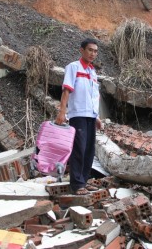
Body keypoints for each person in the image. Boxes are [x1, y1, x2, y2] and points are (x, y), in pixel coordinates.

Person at [55, 38, 102, 195]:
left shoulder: (92, 72)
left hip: (90, 116)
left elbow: (94, 96)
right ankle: (76, 184)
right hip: (78, 115)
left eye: (95, 51)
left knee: (89, 150)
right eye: (90, 50)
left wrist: (97, 117)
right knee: (79, 149)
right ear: (82, 50)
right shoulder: (73, 67)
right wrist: (62, 111)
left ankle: (84, 180)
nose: (93, 54)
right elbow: (66, 90)